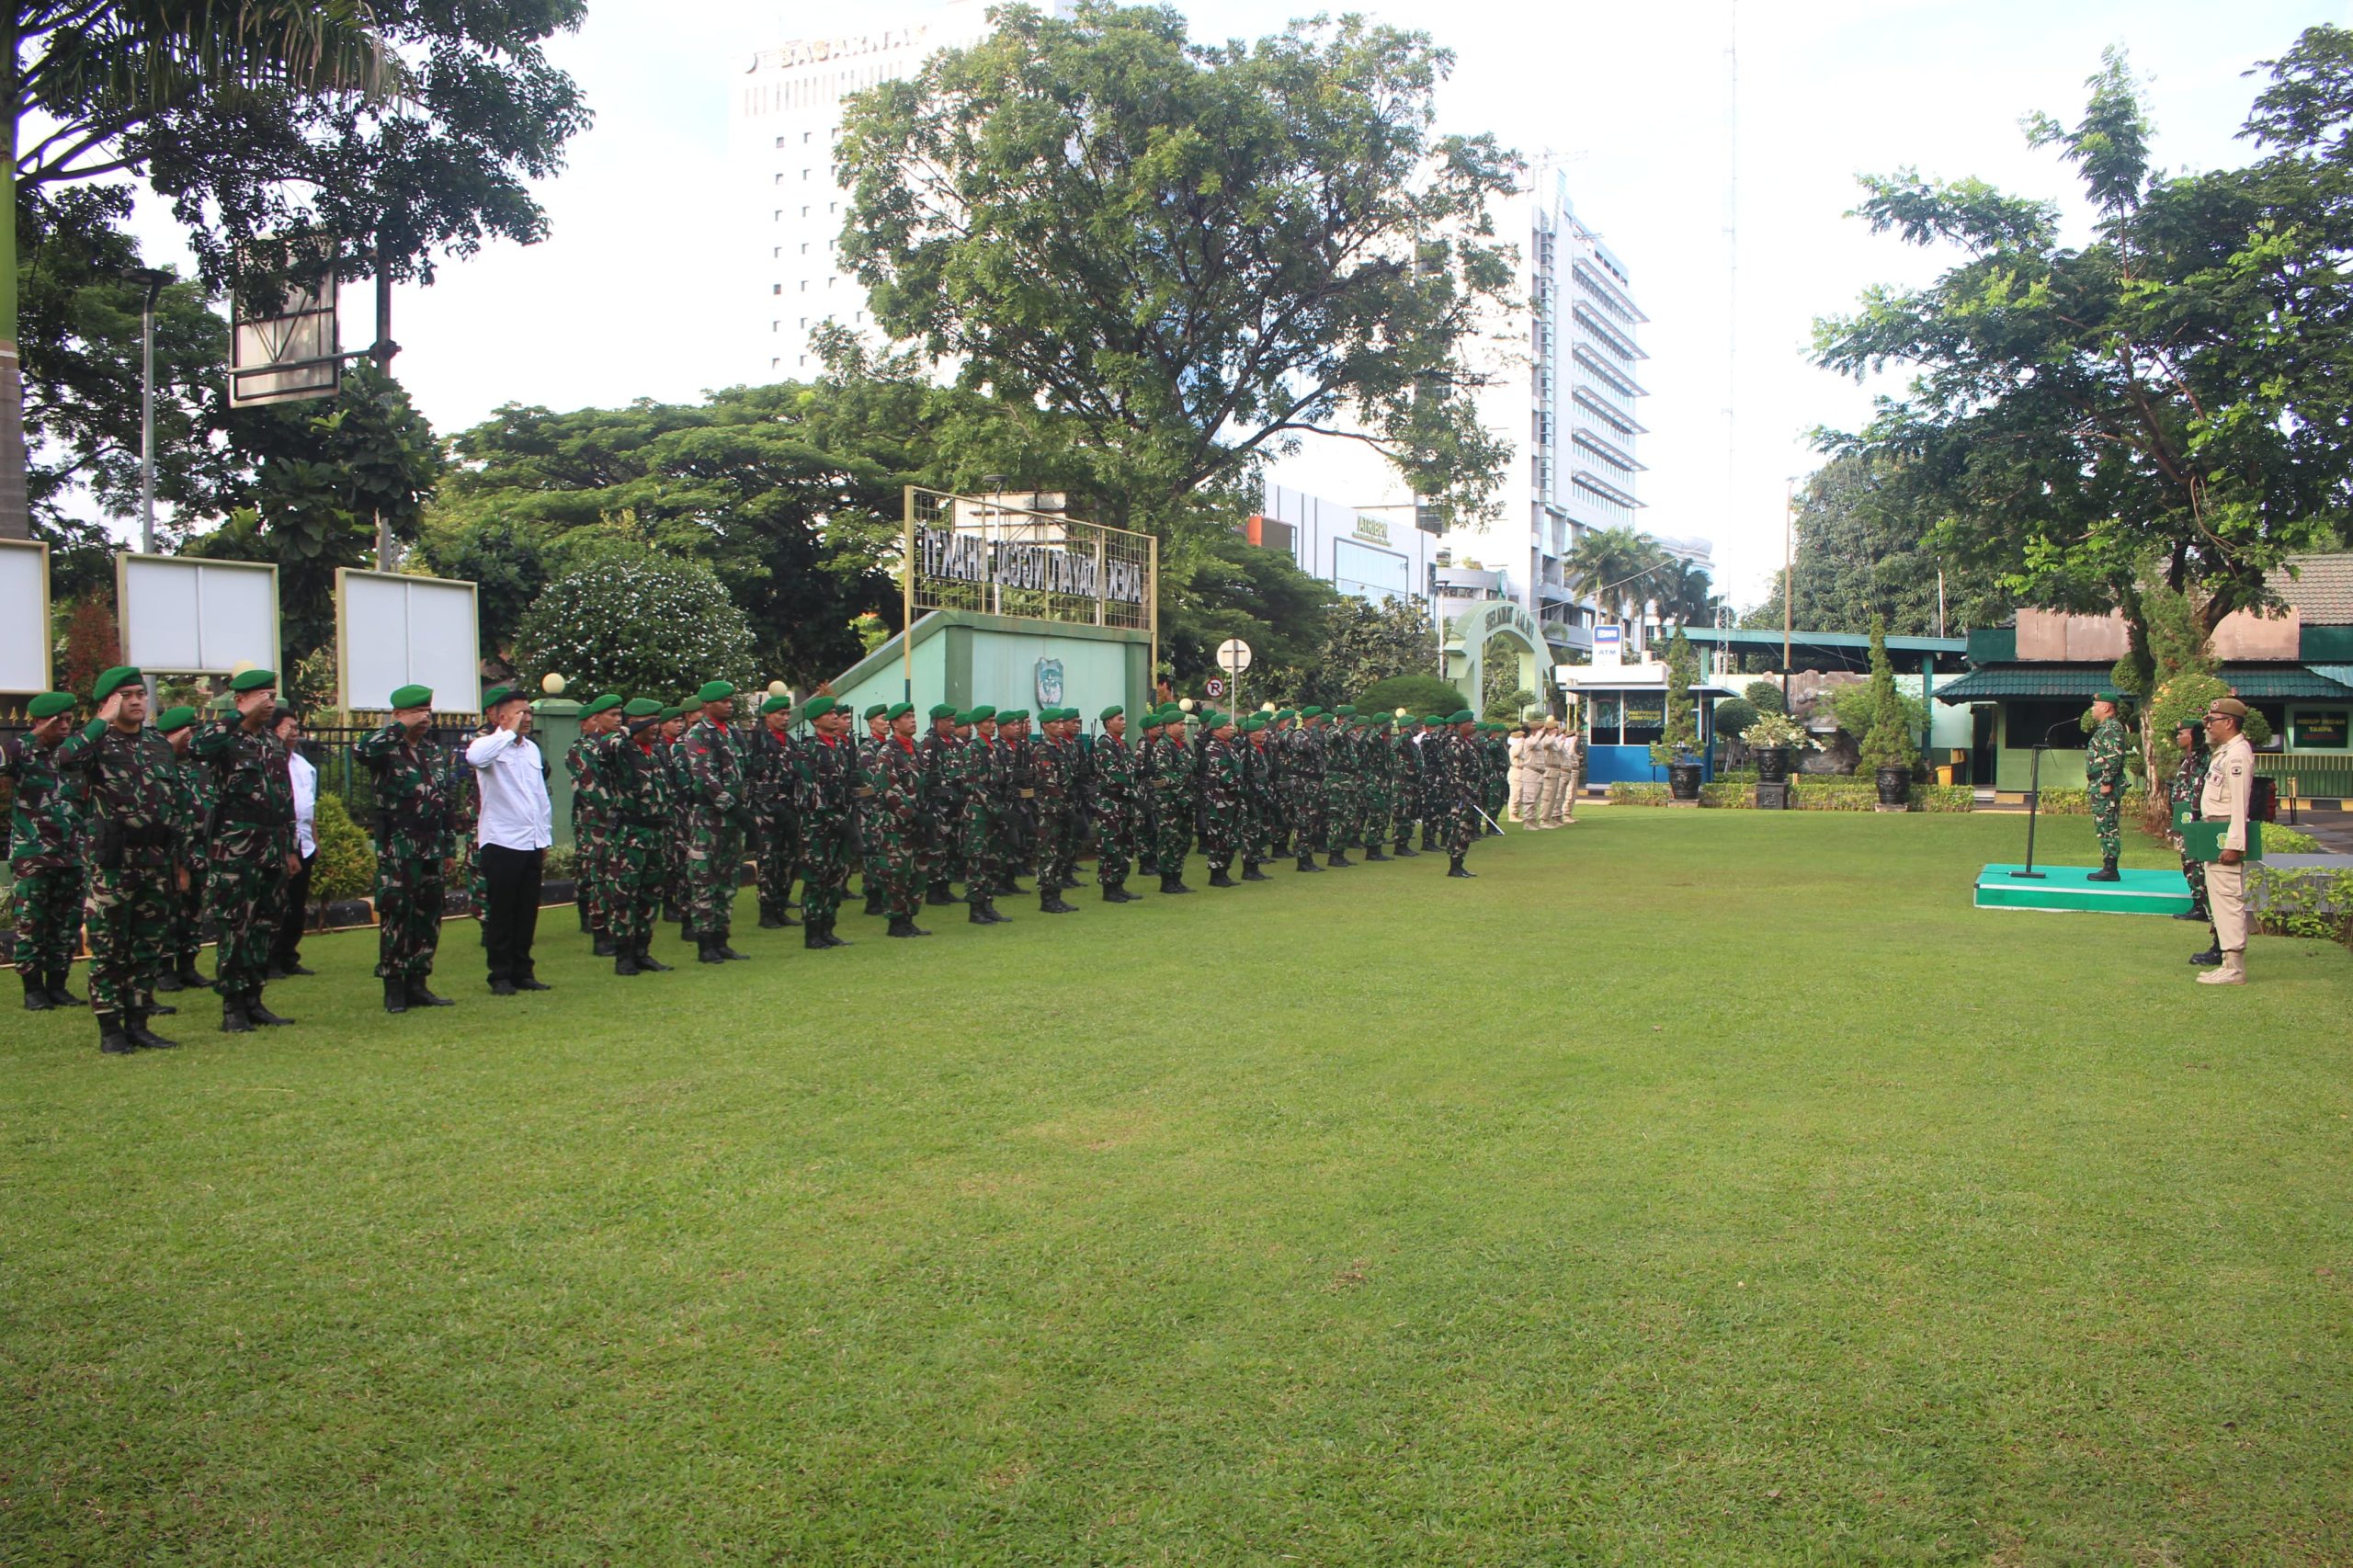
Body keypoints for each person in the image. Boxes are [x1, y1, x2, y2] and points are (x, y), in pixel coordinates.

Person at [52, 666, 185, 1052]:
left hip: (154, 859)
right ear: (110, 701)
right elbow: (63, 758)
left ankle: (139, 1022)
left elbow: (172, 802)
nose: (137, 701)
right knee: (110, 948)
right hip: (113, 862)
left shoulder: (158, 744)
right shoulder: (96, 742)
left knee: (147, 947)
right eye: (127, 695)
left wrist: (176, 859)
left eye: (141, 694)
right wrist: (99, 722)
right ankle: (111, 1029)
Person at [195, 669, 299, 1032]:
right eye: (261, 696)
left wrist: (289, 848)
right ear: (240, 700)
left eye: (272, 695)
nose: (269, 702)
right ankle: (232, 1006)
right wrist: (236, 718)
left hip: (271, 846)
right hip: (235, 848)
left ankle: (255, 998)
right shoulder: (224, 738)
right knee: (235, 927)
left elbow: (285, 798)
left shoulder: (271, 742)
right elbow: (197, 748)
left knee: (265, 926)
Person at [353, 684, 460, 1013]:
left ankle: (419, 981)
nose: (424, 717)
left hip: (430, 846)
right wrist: (399, 728)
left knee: (428, 916)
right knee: (397, 914)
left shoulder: (432, 752)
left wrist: (448, 848)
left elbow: (444, 804)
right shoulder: (385, 750)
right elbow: (361, 751)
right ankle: (394, 985)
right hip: (399, 848)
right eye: (416, 712)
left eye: (427, 711)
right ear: (397, 714)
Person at [465, 684, 554, 995]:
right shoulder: (486, 744)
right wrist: (506, 732)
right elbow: (476, 760)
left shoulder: (531, 749)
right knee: (502, 911)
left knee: (527, 910)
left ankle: (523, 971)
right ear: (501, 716)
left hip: (530, 841)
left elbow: (539, 797)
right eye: (521, 712)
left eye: (529, 712)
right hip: (502, 841)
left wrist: (543, 838)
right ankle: (500, 974)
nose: (528, 717)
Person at [5, 689, 85, 1012]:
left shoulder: (71, 756)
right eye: (58, 721)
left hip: (71, 853)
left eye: (68, 719)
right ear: (40, 722)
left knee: (65, 924)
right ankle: (33, 990)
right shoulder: (22, 754)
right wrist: (34, 735)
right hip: (34, 853)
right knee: (32, 924)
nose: (66, 726)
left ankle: (58, 986)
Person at [590, 697, 676, 975]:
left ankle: (643, 951)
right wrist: (627, 729)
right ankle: (624, 955)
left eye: (657, 720)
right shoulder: (620, 749)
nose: (655, 727)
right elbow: (600, 751)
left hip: (657, 833)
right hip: (631, 834)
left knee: (651, 896)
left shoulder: (658, 751)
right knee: (625, 895)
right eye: (650, 721)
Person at [682, 681, 754, 962]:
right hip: (708, 820)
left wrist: (744, 807)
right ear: (707, 705)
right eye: (723, 701)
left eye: (730, 700)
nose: (729, 704)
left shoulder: (734, 733)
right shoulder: (698, 734)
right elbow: (704, 776)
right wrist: (732, 806)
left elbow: (743, 772)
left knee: (727, 880)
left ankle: (722, 939)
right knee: (704, 880)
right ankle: (705, 942)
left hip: (733, 821)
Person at [2196, 698, 2257, 986]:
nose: (2207, 726)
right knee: (2219, 900)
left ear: (2229, 722)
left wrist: (2234, 843)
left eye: (2212, 720)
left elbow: (2238, 806)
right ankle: (2226, 962)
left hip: (2225, 835)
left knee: (2229, 900)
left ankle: (2235, 966)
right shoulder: (2222, 753)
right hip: (2214, 833)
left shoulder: (2236, 755)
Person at [155, 704, 212, 994]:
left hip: (200, 852)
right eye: (186, 734)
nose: (191, 739)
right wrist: (179, 863)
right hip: (171, 854)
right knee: (169, 912)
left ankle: (188, 965)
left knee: (194, 912)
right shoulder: (161, 767)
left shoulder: (199, 767)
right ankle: (165, 970)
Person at [794, 694, 858, 948]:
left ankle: (828, 927)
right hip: (818, 826)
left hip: (841, 823)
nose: (835, 717)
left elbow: (846, 788)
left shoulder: (841, 748)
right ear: (816, 720)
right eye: (830, 714)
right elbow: (812, 795)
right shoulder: (808, 750)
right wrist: (837, 820)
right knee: (816, 879)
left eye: (836, 714)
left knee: (837, 878)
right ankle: (813, 932)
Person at [872, 700, 934, 935]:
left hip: (919, 823)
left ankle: (909, 917)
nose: (913, 720)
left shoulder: (916, 749)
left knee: (919, 871)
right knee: (898, 874)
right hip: (897, 826)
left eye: (913, 715)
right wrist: (914, 815)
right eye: (907, 717)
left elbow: (924, 784)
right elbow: (890, 790)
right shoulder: (887, 753)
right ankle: (896, 921)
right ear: (895, 723)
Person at [267, 707, 318, 980]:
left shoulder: (303, 766)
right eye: (288, 728)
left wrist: (315, 842)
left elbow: (310, 807)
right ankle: (271, 958)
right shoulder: (269, 762)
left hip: (304, 842)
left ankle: (289, 956)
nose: (294, 733)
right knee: (277, 904)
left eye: (297, 728)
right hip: (279, 844)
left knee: (297, 905)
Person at [2166, 720, 2221, 967]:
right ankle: (2198, 903)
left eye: (2182, 733)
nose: (2178, 736)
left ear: (2194, 736)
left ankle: (2206, 911)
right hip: (2185, 817)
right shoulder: (2188, 760)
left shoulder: (2204, 759)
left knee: (2200, 866)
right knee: (2188, 862)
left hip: (2198, 820)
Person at [749, 694, 802, 928]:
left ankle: (781, 906)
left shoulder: (789, 742)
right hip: (768, 812)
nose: (785, 718)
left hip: (790, 808)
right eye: (780, 714)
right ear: (767, 716)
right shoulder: (760, 741)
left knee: (788, 860)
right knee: (769, 862)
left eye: (787, 714)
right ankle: (767, 911)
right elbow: (754, 781)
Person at [957, 707, 1012, 925]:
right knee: (977, 863)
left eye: (993, 721)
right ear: (978, 725)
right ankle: (976, 908)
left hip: (994, 814)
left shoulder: (994, 748)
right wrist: (998, 810)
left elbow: (1000, 780)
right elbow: (974, 785)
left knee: (993, 861)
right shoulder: (973, 749)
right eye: (988, 722)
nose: (992, 725)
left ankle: (988, 903)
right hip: (979, 815)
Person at [1088, 705, 1143, 903]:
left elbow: (1131, 773)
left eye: (1123, 718)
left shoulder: (1123, 745)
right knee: (1111, 846)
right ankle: (1109, 888)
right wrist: (1134, 795)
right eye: (1119, 719)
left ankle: (1120, 884)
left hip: (1126, 803)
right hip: (1111, 803)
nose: (1123, 722)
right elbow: (1115, 776)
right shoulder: (1104, 745)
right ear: (1108, 723)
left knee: (1127, 845)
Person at [916, 702, 964, 907]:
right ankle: (934, 889)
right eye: (948, 720)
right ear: (936, 722)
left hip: (956, 804)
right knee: (936, 847)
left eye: (954, 720)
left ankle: (945, 885)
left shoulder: (956, 743)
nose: (952, 724)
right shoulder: (928, 744)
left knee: (953, 846)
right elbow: (928, 774)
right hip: (938, 804)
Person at [2085, 692, 2130, 881]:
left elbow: (2114, 757)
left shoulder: (2112, 728)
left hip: (2105, 784)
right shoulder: (2105, 727)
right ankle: (2108, 864)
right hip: (2098, 782)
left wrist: (2106, 782)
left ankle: (2111, 868)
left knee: (2108, 824)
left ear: (2106, 707)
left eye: (2096, 705)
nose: (2093, 709)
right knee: (2103, 824)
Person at [1151, 710, 1197, 893]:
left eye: (1183, 724)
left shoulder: (1182, 745)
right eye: (1179, 724)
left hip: (1185, 801)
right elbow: (1165, 776)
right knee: (1169, 840)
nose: (1183, 727)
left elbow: (1191, 769)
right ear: (1168, 727)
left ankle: (1177, 877)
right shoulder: (1163, 746)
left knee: (1183, 840)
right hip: (1170, 802)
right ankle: (1167, 880)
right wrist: (1184, 797)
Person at [1438, 710, 1481, 877]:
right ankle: (1454, 866)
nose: (1473, 725)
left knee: (1467, 829)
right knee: (1460, 829)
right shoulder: (1455, 744)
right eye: (1470, 723)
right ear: (1462, 725)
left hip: (1470, 792)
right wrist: (1463, 795)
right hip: (1461, 796)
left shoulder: (1466, 742)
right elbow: (1454, 773)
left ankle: (1459, 864)